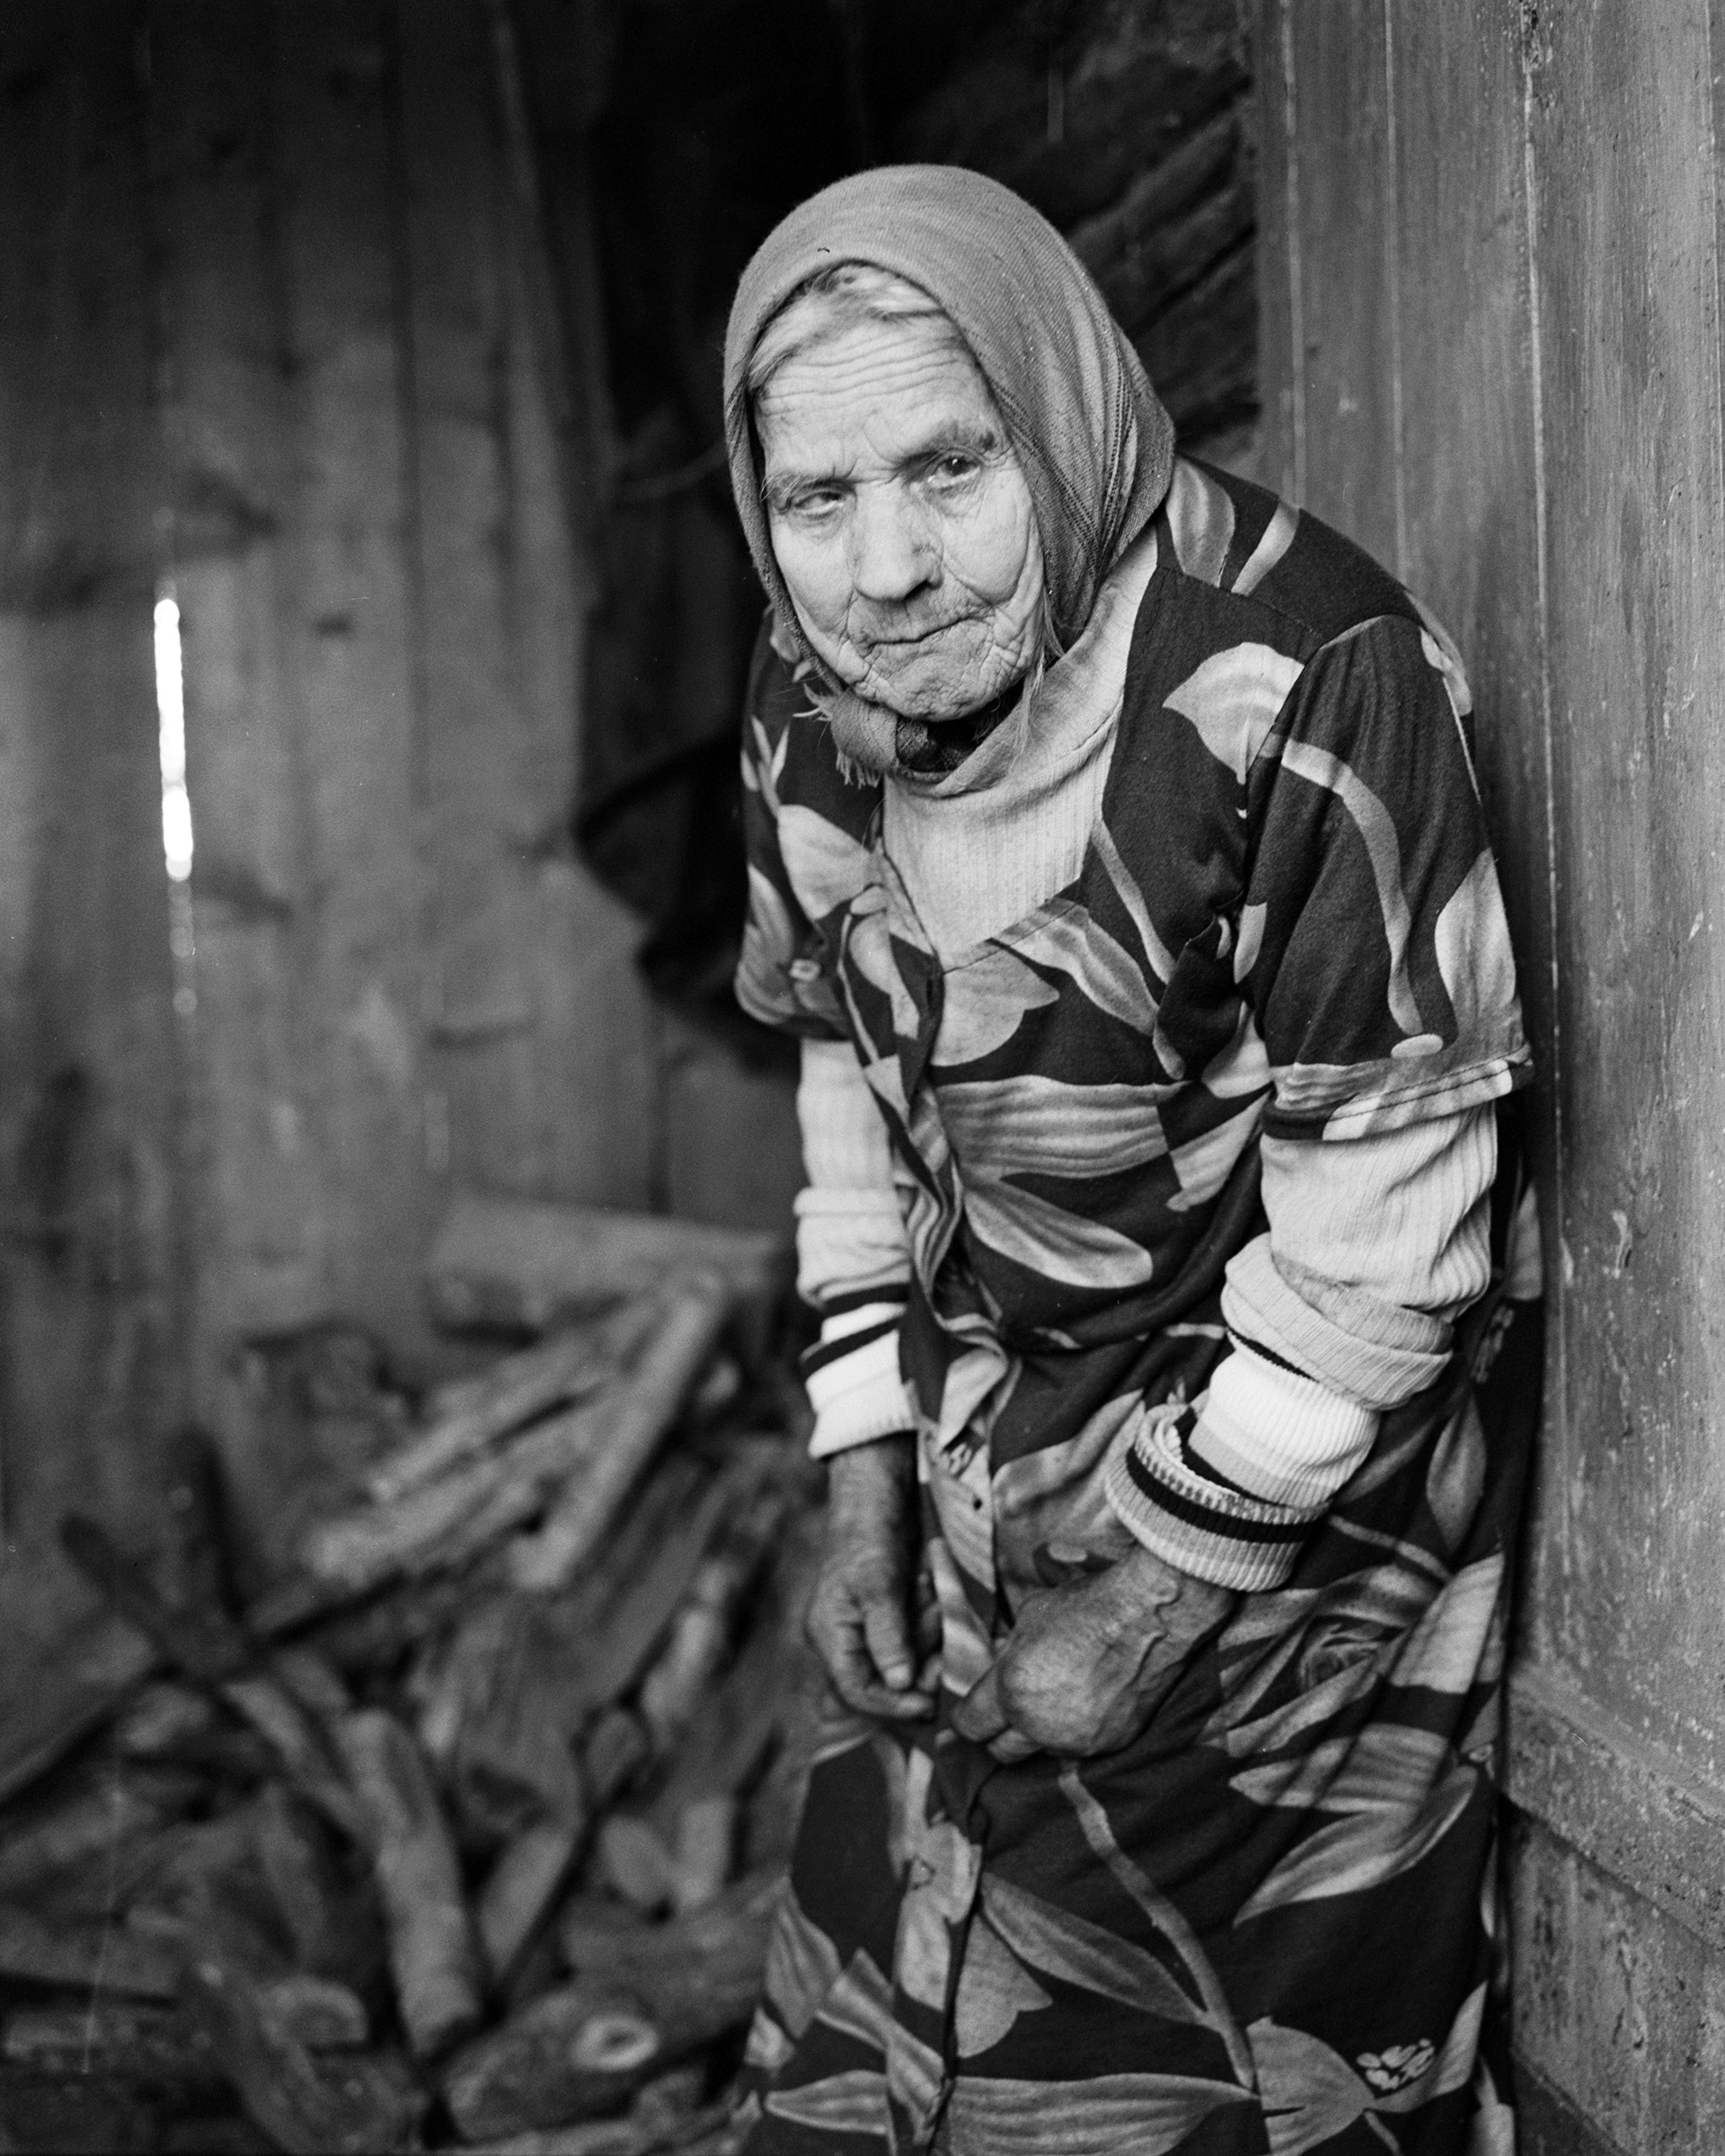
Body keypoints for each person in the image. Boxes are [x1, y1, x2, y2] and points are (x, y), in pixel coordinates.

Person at [722, 164, 1540, 2154]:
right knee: (861, 2029)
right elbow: (846, 1051)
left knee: (1171, 2083)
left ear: (1062, 414)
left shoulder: (1305, 679)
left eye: (949, 468)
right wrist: (860, 1476)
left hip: (1286, 1509)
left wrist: (1164, 1596)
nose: (886, 567)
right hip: (977, 1466)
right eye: (817, 500)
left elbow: (1390, 1240)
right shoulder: (811, 699)